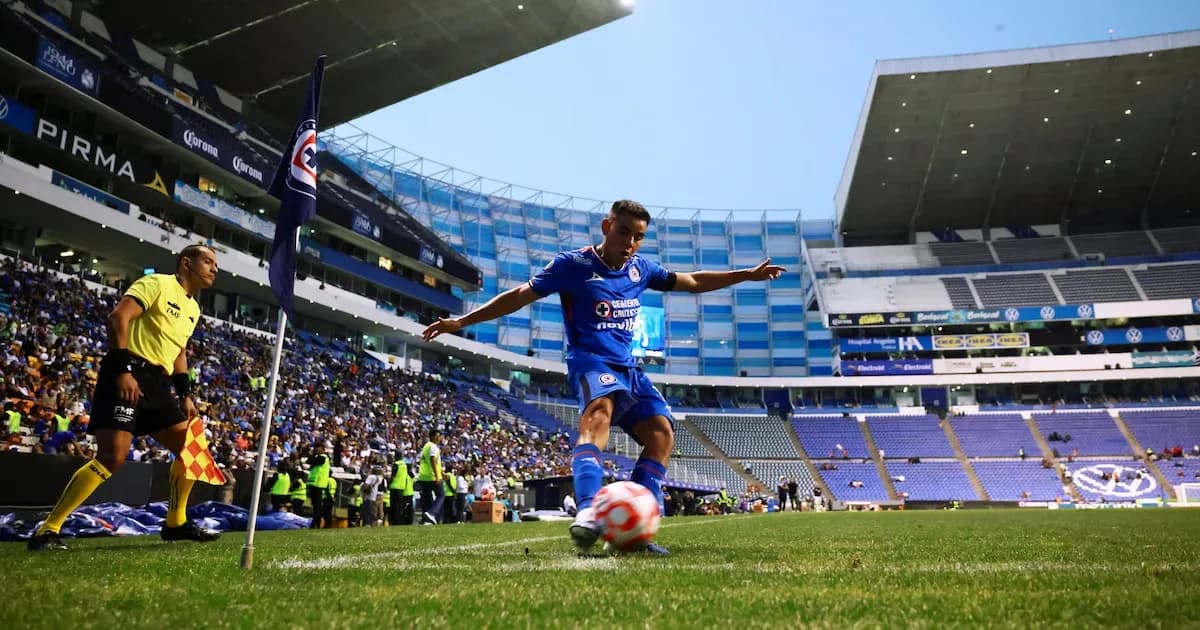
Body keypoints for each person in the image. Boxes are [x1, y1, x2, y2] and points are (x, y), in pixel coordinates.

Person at [422, 200, 784, 554]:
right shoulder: (572, 265)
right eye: (624, 232)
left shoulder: (641, 269)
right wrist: (461, 321)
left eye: (638, 237)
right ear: (607, 227)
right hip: (590, 361)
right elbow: (519, 296)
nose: (630, 243)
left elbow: (691, 281)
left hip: (628, 367)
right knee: (599, 413)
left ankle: (635, 531)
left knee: (661, 433)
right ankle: (588, 512)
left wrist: (747, 275)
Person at [28, 245, 221, 551]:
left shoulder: (194, 309)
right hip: (127, 372)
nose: (214, 269)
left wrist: (185, 394)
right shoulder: (157, 283)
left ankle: (175, 523)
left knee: (191, 447)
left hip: (158, 383)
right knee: (112, 457)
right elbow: (119, 318)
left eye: (216, 264)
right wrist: (123, 371)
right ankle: (47, 529)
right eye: (208, 261)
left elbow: (179, 352)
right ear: (186, 263)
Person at [414, 428, 444, 525]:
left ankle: (426, 519)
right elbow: (433, 461)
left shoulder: (426, 446)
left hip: (424, 476)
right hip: (432, 476)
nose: (439, 438)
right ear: (433, 436)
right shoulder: (433, 447)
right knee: (441, 495)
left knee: (427, 497)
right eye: (438, 436)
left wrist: (442, 474)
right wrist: (438, 476)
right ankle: (431, 513)